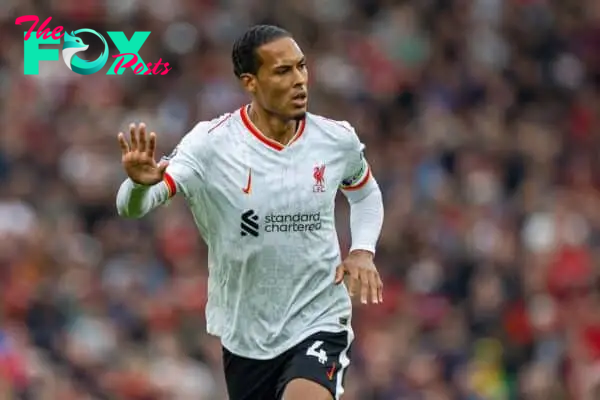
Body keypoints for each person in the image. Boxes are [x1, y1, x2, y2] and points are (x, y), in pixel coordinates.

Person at [115, 24, 384, 400]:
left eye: (301, 67)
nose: (299, 80)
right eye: (282, 71)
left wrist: (362, 250)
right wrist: (139, 184)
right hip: (246, 334)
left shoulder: (336, 140)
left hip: (319, 317)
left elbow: (366, 192)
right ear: (250, 82)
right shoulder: (211, 145)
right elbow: (135, 207)